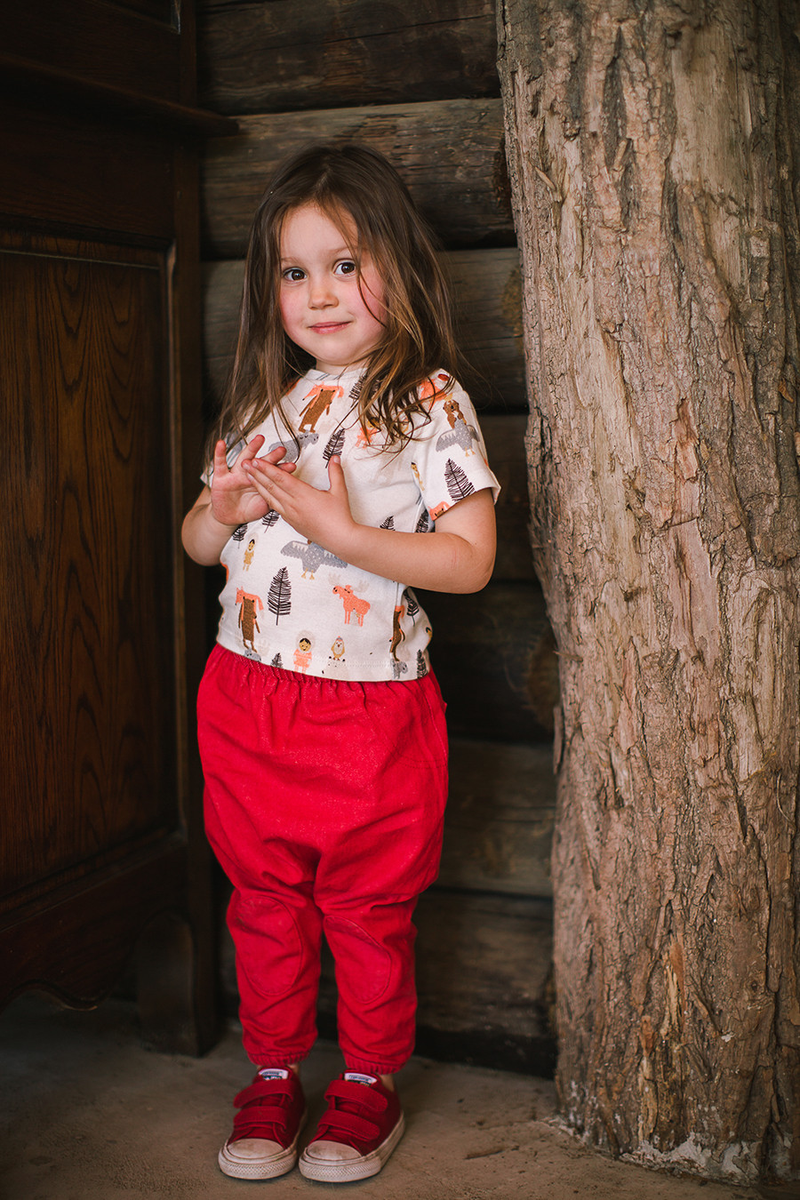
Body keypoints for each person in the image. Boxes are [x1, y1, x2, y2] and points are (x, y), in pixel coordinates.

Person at [182, 142, 499, 1184]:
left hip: (365, 711)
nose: (317, 294)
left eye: (344, 262)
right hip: (243, 696)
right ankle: (272, 1073)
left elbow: (466, 561)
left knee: (365, 907)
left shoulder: (427, 403)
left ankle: (365, 1084)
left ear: (398, 267)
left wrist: (341, 528)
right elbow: (194, 543)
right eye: (292, 270)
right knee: (262, 899)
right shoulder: (268, 403)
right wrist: (219, 509)